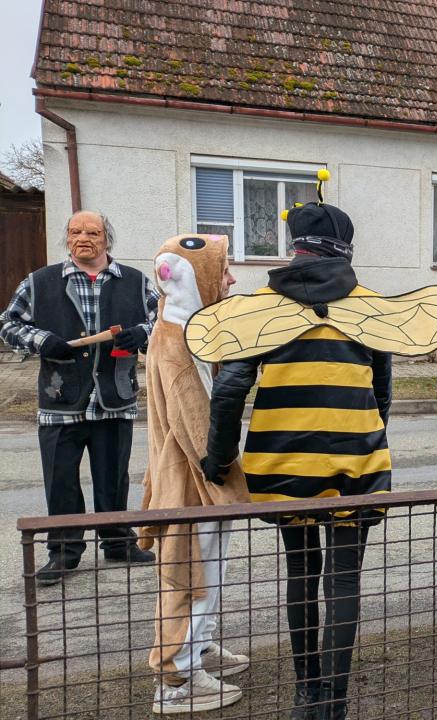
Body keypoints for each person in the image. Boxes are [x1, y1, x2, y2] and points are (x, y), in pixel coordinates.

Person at [204, 200, 392, 719]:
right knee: (344, 580)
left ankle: (307, 693)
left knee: (302, 574)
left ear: (295, 248)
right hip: (356, 463)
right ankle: (334, 701)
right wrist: (364, 436)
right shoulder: (370, 305)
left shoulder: (261, 307)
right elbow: (382, 391)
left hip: (283, 462)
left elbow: (230, 390)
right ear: (345, 249)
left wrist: (219, 458)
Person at [1, 209, 159, 585]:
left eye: (92, 232)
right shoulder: (39, 282)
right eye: (75, 232)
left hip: (114, 398)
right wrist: (41, 340)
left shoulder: (136, 282)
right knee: (61, 482)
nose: (83, 238)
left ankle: (117, 543)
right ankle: (64, 552)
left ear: (107, 239)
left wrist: (143, 333)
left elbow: (165, 320)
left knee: (113, 479)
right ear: (67, 238)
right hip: (59, 400)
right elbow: (8, 324)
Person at [140, 234, 251, 714]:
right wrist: (221, 471)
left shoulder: (189, 326)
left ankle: (197, 647)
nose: (230, 279)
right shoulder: (176, 337)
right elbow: (195, 419)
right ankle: (177, 680)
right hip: (191, 477)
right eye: (222, 270)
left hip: (197, 475)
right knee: (189, 572)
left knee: (208, 569)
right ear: (196, 275)